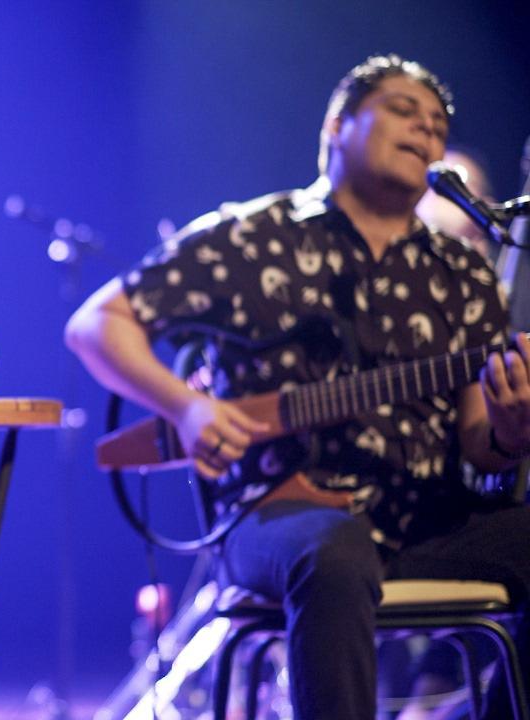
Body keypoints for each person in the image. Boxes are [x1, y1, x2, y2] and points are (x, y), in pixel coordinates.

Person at [65, 55, 530, 720]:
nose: (426, 131)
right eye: (404, 111)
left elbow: (482, 440)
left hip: (432, 521)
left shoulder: (464, 271)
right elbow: (97, 324)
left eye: (437, 125)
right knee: (333, 553)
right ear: (337, 126)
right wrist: (188, 408)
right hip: (279, 519)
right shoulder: (250, 237)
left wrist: (512, 430)